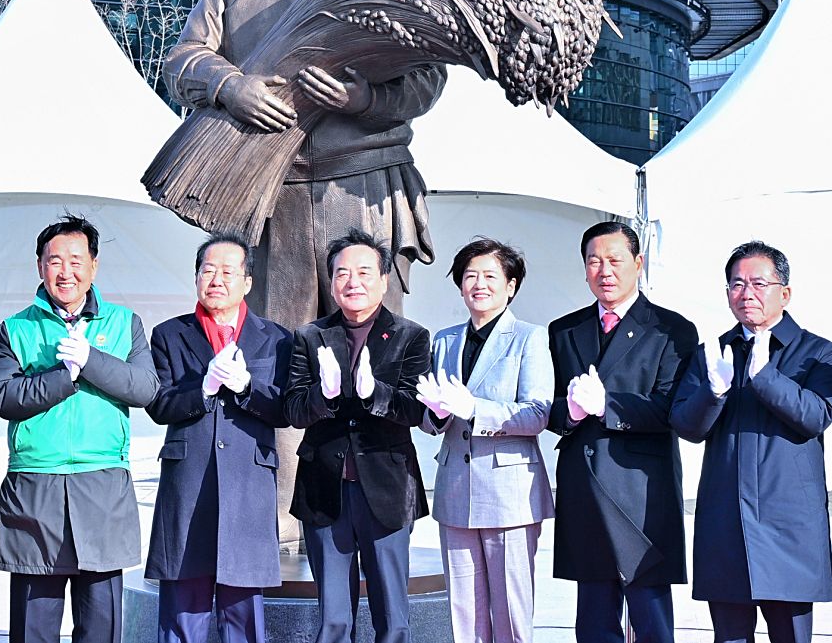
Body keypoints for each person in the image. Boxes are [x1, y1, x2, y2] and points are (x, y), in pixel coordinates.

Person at [163, 0, 446, 329]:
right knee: (280, 351)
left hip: (363, 182)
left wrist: (368, 99)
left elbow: (428, 77)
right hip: (269, 189)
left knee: (370, 344)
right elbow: (182, 60)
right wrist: (230, 86)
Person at [0, 213, 159, 643]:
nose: (66, 272)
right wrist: (65, 377)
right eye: (54, 261)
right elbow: (4, 398)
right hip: (35, 487)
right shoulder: (15, 328)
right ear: (40, 266)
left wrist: (92, 360)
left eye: (76, 260)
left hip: (101, 485)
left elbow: (145, 389)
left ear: (94, 266)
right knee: (33, 628)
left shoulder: (124, 323)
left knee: (100, 625)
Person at [670, 241, 832, 643]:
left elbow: (816, 417)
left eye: (759, 283)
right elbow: (686, 427)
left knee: (791, 636)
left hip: (789, 523)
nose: (747, 294)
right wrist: (713, 392)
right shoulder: (714, 352)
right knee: (728, 636)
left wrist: (766, 377)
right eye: (737, 284)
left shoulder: (816, 352)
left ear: (785, 292)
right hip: (727, 521)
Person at [547, 220, 698, 643]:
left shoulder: (671, 329)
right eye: (594, 261)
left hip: (642, 493)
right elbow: (551, 408)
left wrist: (607, 406)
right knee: (594, 621)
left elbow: (672, 408)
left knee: (651, 620)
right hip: (584, 488)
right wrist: (573, 412)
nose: (604, 270)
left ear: (638, 263)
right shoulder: (564, 330)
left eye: (614, 260)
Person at [284, 228, 430, 643]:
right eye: (343, 274)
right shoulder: (309, 337)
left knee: (394, 618)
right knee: (333, 620)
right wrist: (323, 393)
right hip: (324, 491)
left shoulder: (411, 336)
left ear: (384, 280)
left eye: (365, 272)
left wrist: (374, 393)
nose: (354, 282)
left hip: (387, 489)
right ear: (331, 282)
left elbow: (416, 410)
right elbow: (294, 410)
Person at [145, 232, 292, 643]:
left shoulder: (277, 338)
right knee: (182, 609)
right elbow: (158, 404)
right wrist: (202, 389)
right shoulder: (169, 335)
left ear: (247, 282)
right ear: (195, 278)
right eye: (208, 270)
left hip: (248, 483)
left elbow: (285, 409)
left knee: (243, 611)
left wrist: (246, 388)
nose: (216, 280)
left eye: (228, 271)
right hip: (189, 484)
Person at [416, 238, 554, 643]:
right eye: (470, 275)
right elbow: (430, 419)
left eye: (491, 275)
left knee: (511, 610)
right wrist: (436, 414)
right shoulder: (444, 340)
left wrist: (474, 407)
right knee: (463, 609)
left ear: (511, 286)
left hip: (509, 492)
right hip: (455, 490)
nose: (479, 283)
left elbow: (537, 414)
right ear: (459, 285)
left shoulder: (529, 338)